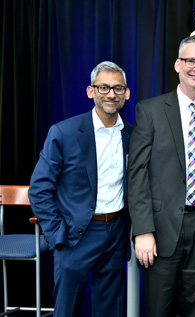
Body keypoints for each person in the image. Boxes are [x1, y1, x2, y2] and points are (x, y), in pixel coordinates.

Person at [127, 34, 195, 317]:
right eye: (191, 60)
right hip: (159, 230)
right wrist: (143, 230)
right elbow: (136, 174)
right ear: (177, 64)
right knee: (159, 309)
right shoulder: (150, 111)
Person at [28, 61, 132, 316]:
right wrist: (56, 234)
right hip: (74, 236)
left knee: (111, 310)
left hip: (116, 233)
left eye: (118, 88)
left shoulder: (132, 134)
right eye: (104, 87)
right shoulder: (64, 132)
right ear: (90, 91)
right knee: (66, 311)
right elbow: (39, 189)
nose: (111, 94)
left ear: (126, 93)